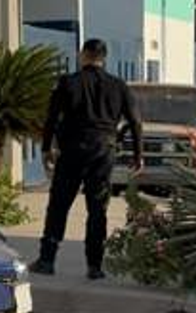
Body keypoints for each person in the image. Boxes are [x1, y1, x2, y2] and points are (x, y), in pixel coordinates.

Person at [32, 38, 143, 280]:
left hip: (72, 150)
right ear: (104, 58)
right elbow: (135, 122)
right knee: (97, 208)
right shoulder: (119, 86)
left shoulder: (67, 83)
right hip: (103, 151)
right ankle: (94, 266)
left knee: (59, 204)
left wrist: (46, 148)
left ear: (83, 55)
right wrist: (138, 155)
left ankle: (47, 260)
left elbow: (51, 117)